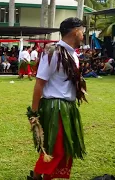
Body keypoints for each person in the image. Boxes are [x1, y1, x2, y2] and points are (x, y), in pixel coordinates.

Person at [27, 17, 87, 180]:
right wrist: (33, 113)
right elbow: (39, 83)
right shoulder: (52, 52)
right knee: (56, 149)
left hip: (68, 107)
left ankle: (42, 177)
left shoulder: (72, 54)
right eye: (83, 31)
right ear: (76, 31)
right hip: (55, 108)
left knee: (64, 149)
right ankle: (36, 176)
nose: (83, 35)